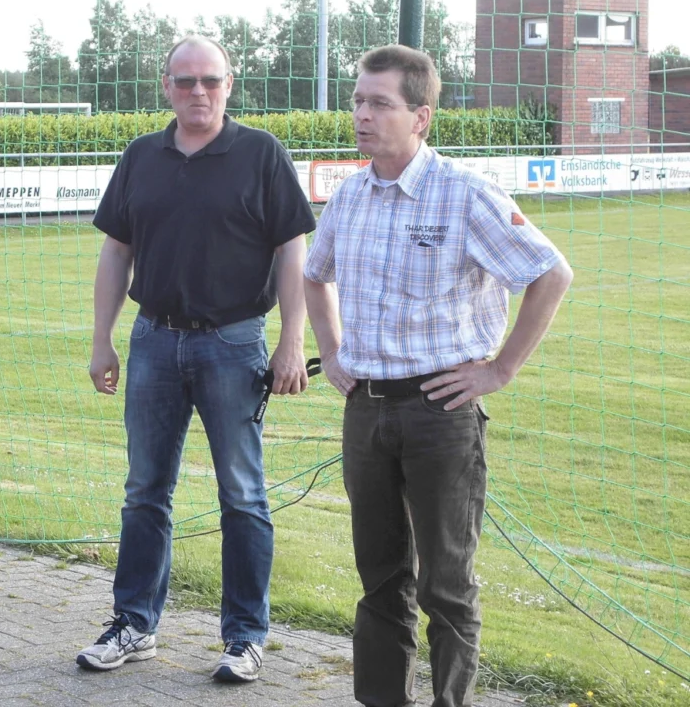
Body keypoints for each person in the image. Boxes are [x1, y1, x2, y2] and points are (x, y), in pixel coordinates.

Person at [302, 45, 573, 707]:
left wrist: (500, 370)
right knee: (381, 578)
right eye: (358, 101)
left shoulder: (465, 194)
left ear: (421, 116)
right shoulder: (352, 195)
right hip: (366, 411)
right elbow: (315, 275)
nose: (363, 115)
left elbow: (551, 274)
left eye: (380, 104)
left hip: (439, 414)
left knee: (446, 585)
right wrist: (332, 355)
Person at [76, 35, 317, 683]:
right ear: (166, 87)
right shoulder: (141, 157)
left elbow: (295, 253)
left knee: (242, 494)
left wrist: (293, 340)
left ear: (230, 83)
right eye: (185, 82)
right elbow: (115, 252)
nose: (198, 92)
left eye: (209, 80)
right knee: (144, 491)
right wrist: (103, 338)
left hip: (233, 344)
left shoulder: (261, 154)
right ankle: (134, 624)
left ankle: (244, 638)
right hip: (154, 340)